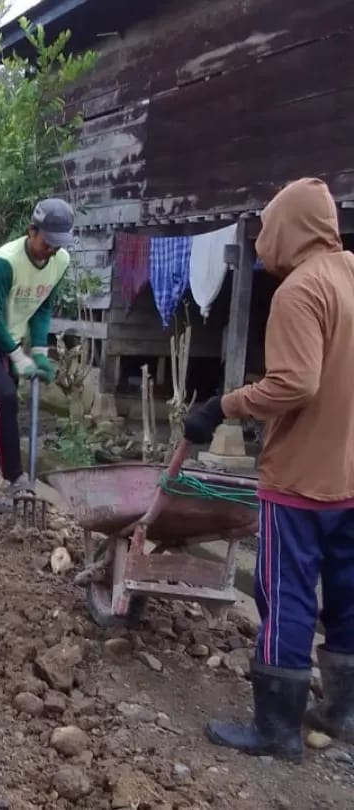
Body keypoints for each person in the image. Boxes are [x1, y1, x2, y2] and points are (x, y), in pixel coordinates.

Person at [183, 178, 354, 762]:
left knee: (285, 597)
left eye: (270, 230)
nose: (263, 244)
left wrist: (222, 406)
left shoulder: (301, 290)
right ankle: (341, 713)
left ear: (290, 229)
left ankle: (277, 729)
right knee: (348, 596)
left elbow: (295, 383)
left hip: (300, 481)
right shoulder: (350, 274)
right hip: (348, 477)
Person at [0, 198, 74, 512]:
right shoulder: (5, 262)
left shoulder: (60, 262)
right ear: (31, 231)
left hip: (9, 342)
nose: (50, 250)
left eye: (56, 245)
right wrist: (17, 357)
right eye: (46, 242)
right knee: (4, 397)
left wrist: (37, 351)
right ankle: (15, 478)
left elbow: (42, 307)